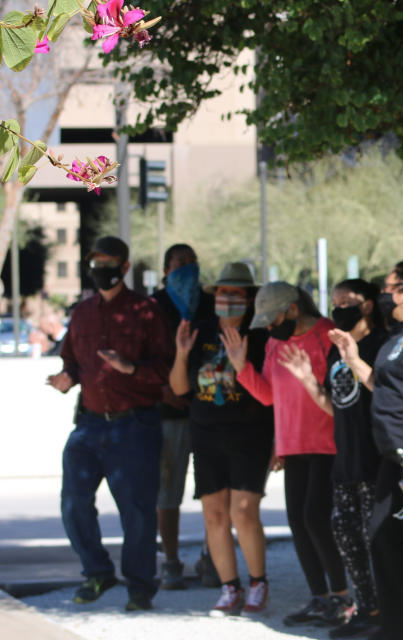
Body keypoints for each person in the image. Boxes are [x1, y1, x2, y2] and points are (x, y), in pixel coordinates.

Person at [46, 236, 173, 611]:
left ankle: (139, 586)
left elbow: (167, 368)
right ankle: (97, 572)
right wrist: (66, 377)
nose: (101, 270)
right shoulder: (82, 313)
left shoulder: (146, 311)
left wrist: (131, 367)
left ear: (124, 267)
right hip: (88, 424)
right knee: (73, 503)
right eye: (95, 263)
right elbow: (71, 359)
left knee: (136, 510)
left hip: (135, 424)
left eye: (108, 263)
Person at [329, 260, 403, 640]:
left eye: (388, 288)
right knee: (381, 539)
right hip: (391, 457)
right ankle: (396, 626)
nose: (383, 295)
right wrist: (352, 358)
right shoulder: (400, 332)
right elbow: (381, 385)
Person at [225, 282, 350, 627]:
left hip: (327, 444)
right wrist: (240, 367)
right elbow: (269, 396)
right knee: (298, 522)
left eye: (273, 317)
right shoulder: (275, 342)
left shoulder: (328, 335)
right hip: (293, 445)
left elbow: (340, 397)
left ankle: (342, 597)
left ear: (293, 309)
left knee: (316, 518)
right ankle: (319, 599)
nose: (268, 326)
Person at [278, 278, 387, 637]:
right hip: (345, 459)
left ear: (367, 304)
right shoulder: (333, 348)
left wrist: (355, 358)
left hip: (375, 458)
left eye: (346, 301)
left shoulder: (379, 344)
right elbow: (334, 405)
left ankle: (389, 613)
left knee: (378, 540)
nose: (338, 307)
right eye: (335, 301)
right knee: (345, 535)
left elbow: (384, 393)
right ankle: (367, 610)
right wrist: (308, 380)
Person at [168, 262, 274, 616]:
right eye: (222, 293)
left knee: (244, 512)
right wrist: (182, 354)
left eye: (235, 293)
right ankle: (231, 588)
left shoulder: (260, 336)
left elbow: (270, 394)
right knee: (213, 515)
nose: (226, 299)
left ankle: (258, 582)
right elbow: (180, 388)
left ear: (249, 298)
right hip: (206, 434)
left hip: (250, 433)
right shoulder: (200, 332)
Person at [151, 243, 214, 590]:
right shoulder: (153, 307)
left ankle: (212, 556)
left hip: (207, 408)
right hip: (168, 412)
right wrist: (163, 389)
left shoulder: (209, 304)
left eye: (192, 262)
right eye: (179, 263)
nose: (187, 268)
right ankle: (171, 561)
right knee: (167, 491)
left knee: (212, 490)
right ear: (165, 270)